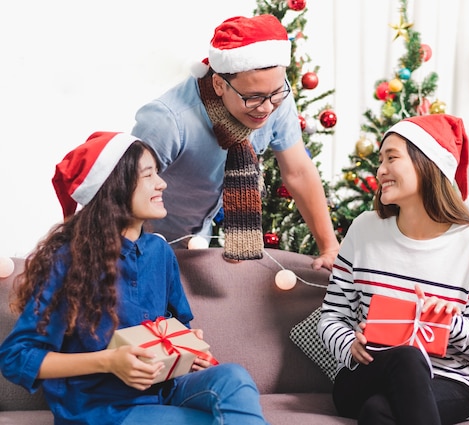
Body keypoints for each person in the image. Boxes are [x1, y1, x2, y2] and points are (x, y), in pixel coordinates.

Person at [0, 132, 269, 425]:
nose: (162, 183)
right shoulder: (67, 260)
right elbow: (15, 357)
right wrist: (108, 361)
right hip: (102, 409)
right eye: (148, 175)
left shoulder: (160, 251)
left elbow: (177, 325)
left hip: (165, 390)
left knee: (234, 378)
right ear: (113, 188)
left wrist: (187, 348)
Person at [317, 114, 469, 425]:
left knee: (378, 412)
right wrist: (349, 343)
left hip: (447, 382)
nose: (380, 170)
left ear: (428, 164)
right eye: (380, 160)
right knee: (405, 357)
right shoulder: (364, 229)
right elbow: (332, 316)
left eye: (392, 158)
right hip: (367, 373)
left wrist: (449, 323)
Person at [131, 14, 339, 268]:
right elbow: (121, 193)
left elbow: (298, 171)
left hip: (198, 247)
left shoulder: (275, 99)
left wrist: (330, 248)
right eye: (253, 97)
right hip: (142, 247)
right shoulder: (169, 121)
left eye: (275, 94)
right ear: (219, 84)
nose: (266, 108)